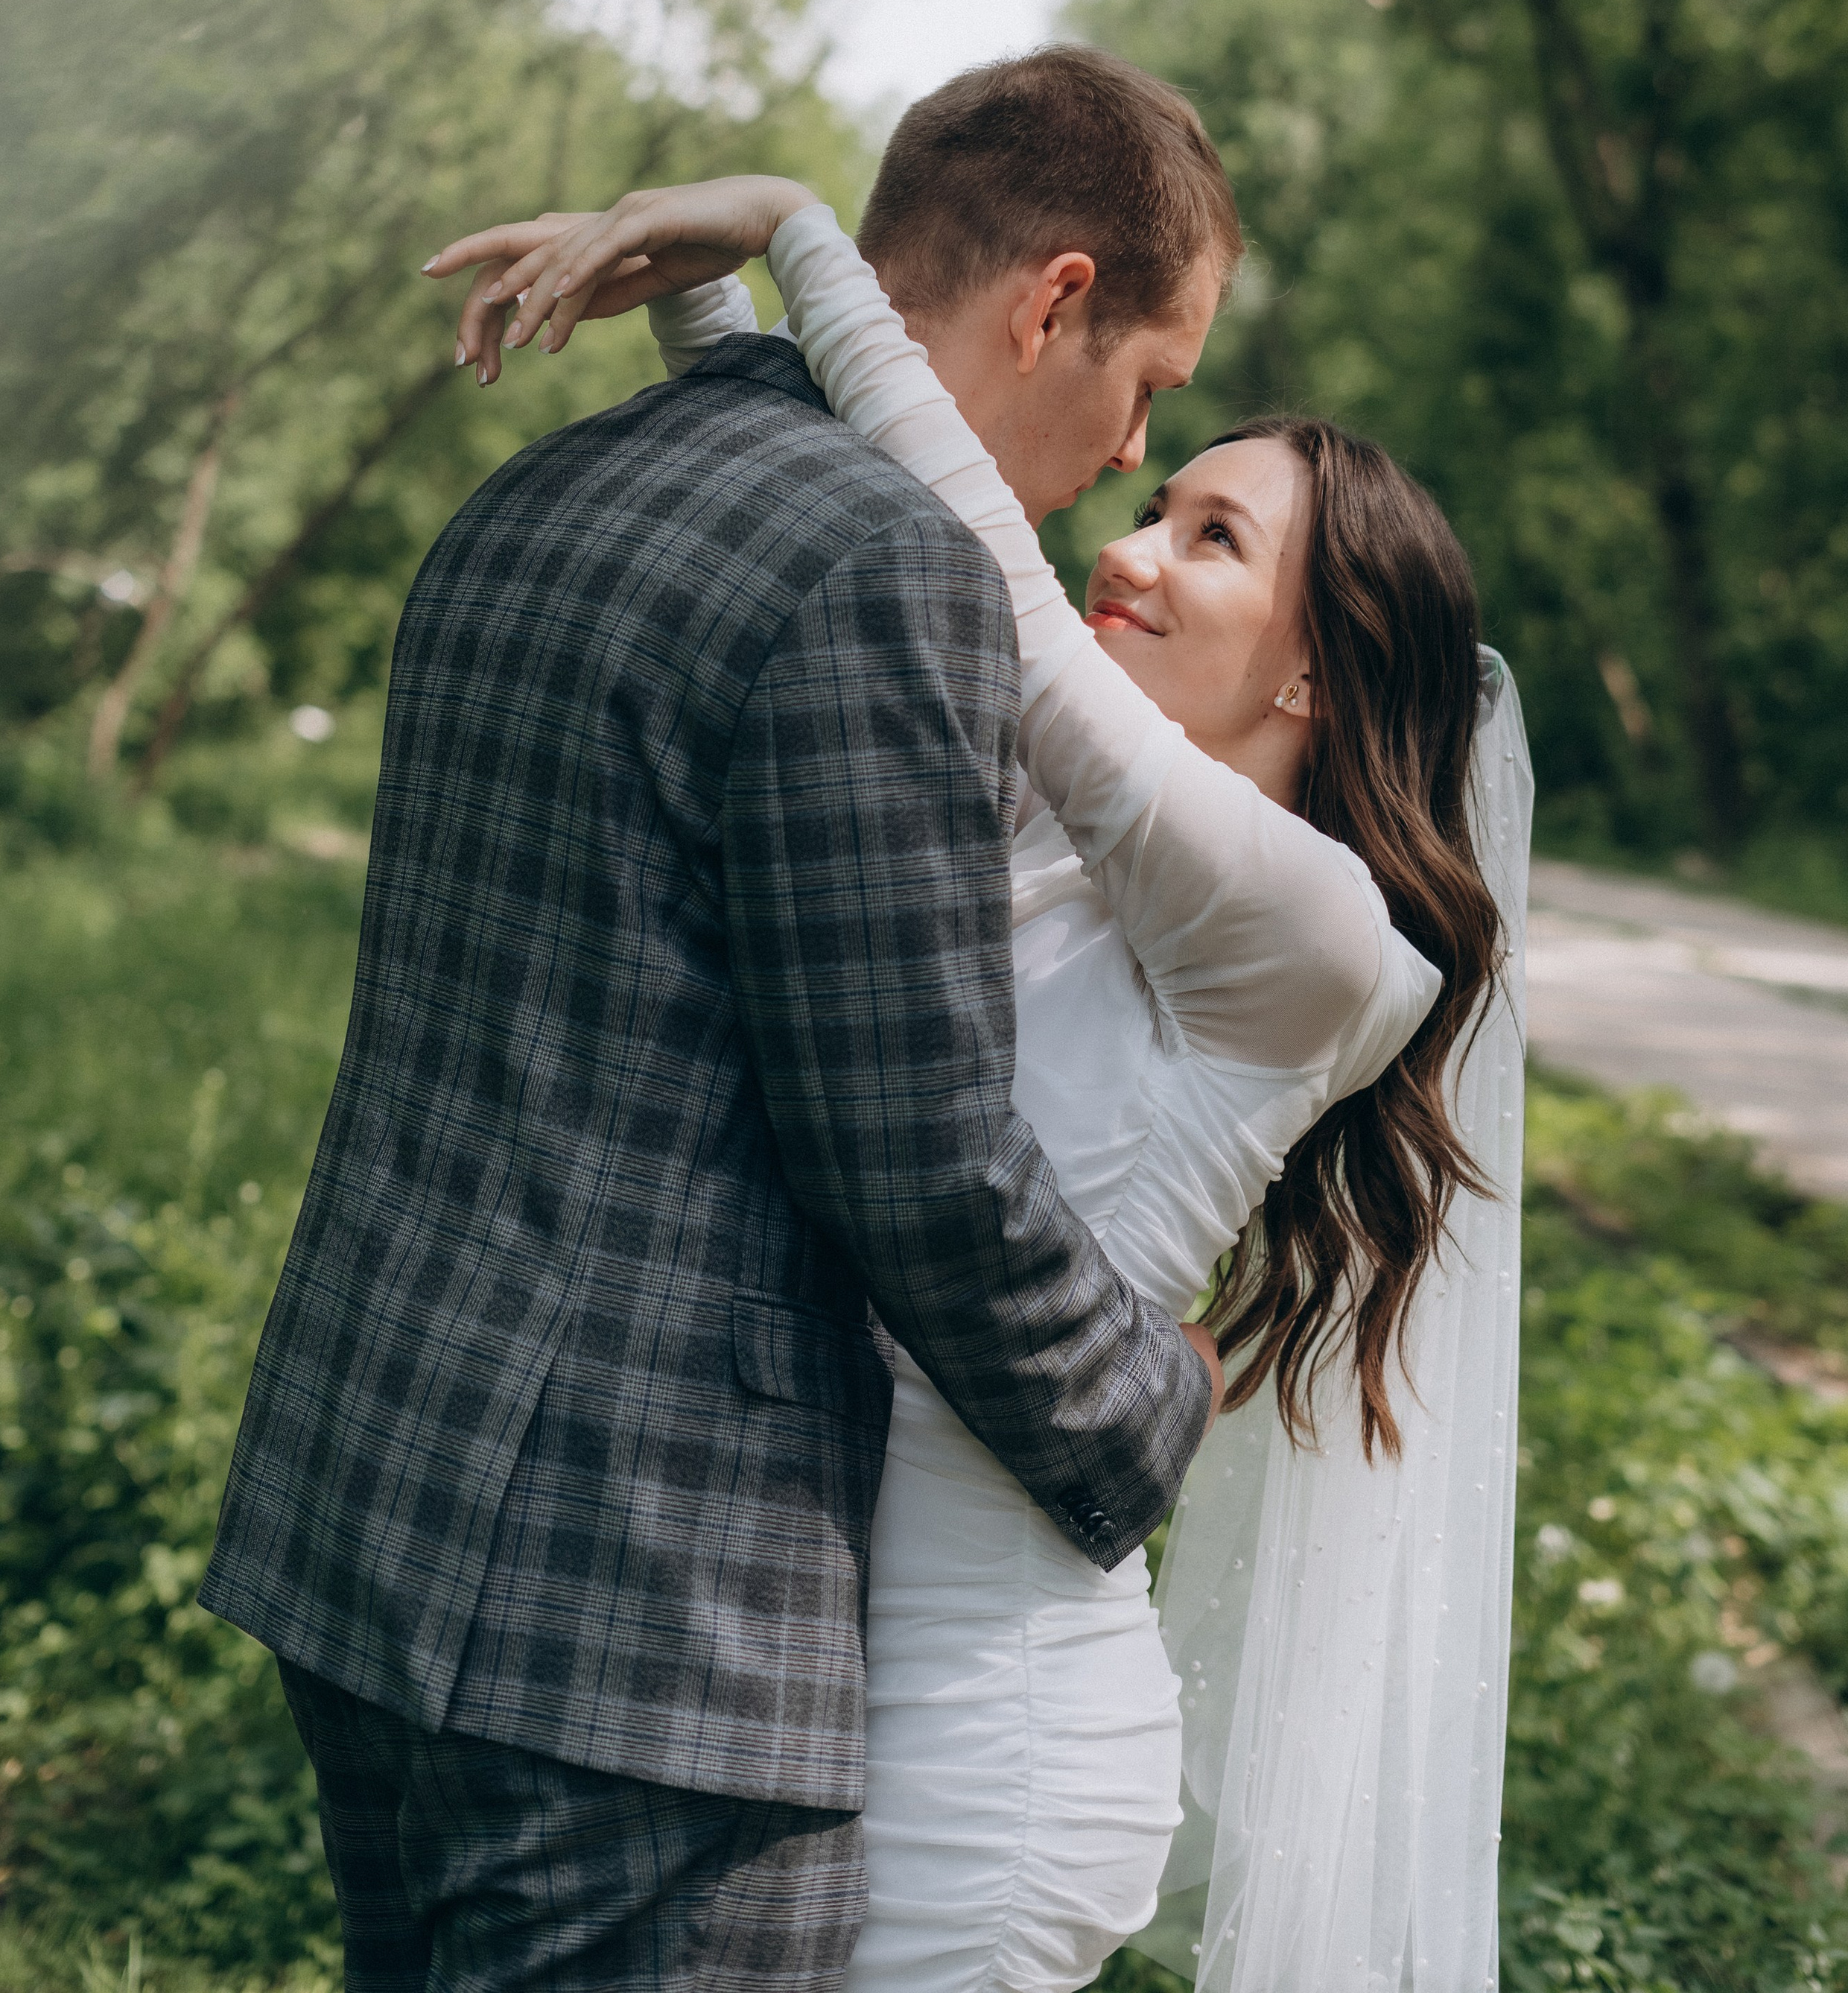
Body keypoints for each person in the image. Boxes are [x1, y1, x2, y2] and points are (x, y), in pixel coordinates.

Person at [430, 104, 1528, 1991]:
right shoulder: (1064, 845)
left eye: (1208, 535)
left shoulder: (1316, 933)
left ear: (1313, 672)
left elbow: (985, 589)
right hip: (812, 1682)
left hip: (990, 1738)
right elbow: (874, 524)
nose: (1123, 540)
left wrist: (791, 227)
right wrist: (706, 314)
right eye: (1152, 496)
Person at [200, 48, 1242, 1993]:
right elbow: (916, 1152)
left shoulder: (545, 489)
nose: (1126, 452)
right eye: (1152, 384)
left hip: (362, 1508)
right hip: (632, 1627)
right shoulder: (884, 563)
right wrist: (1150, 1393)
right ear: (1057, 299)